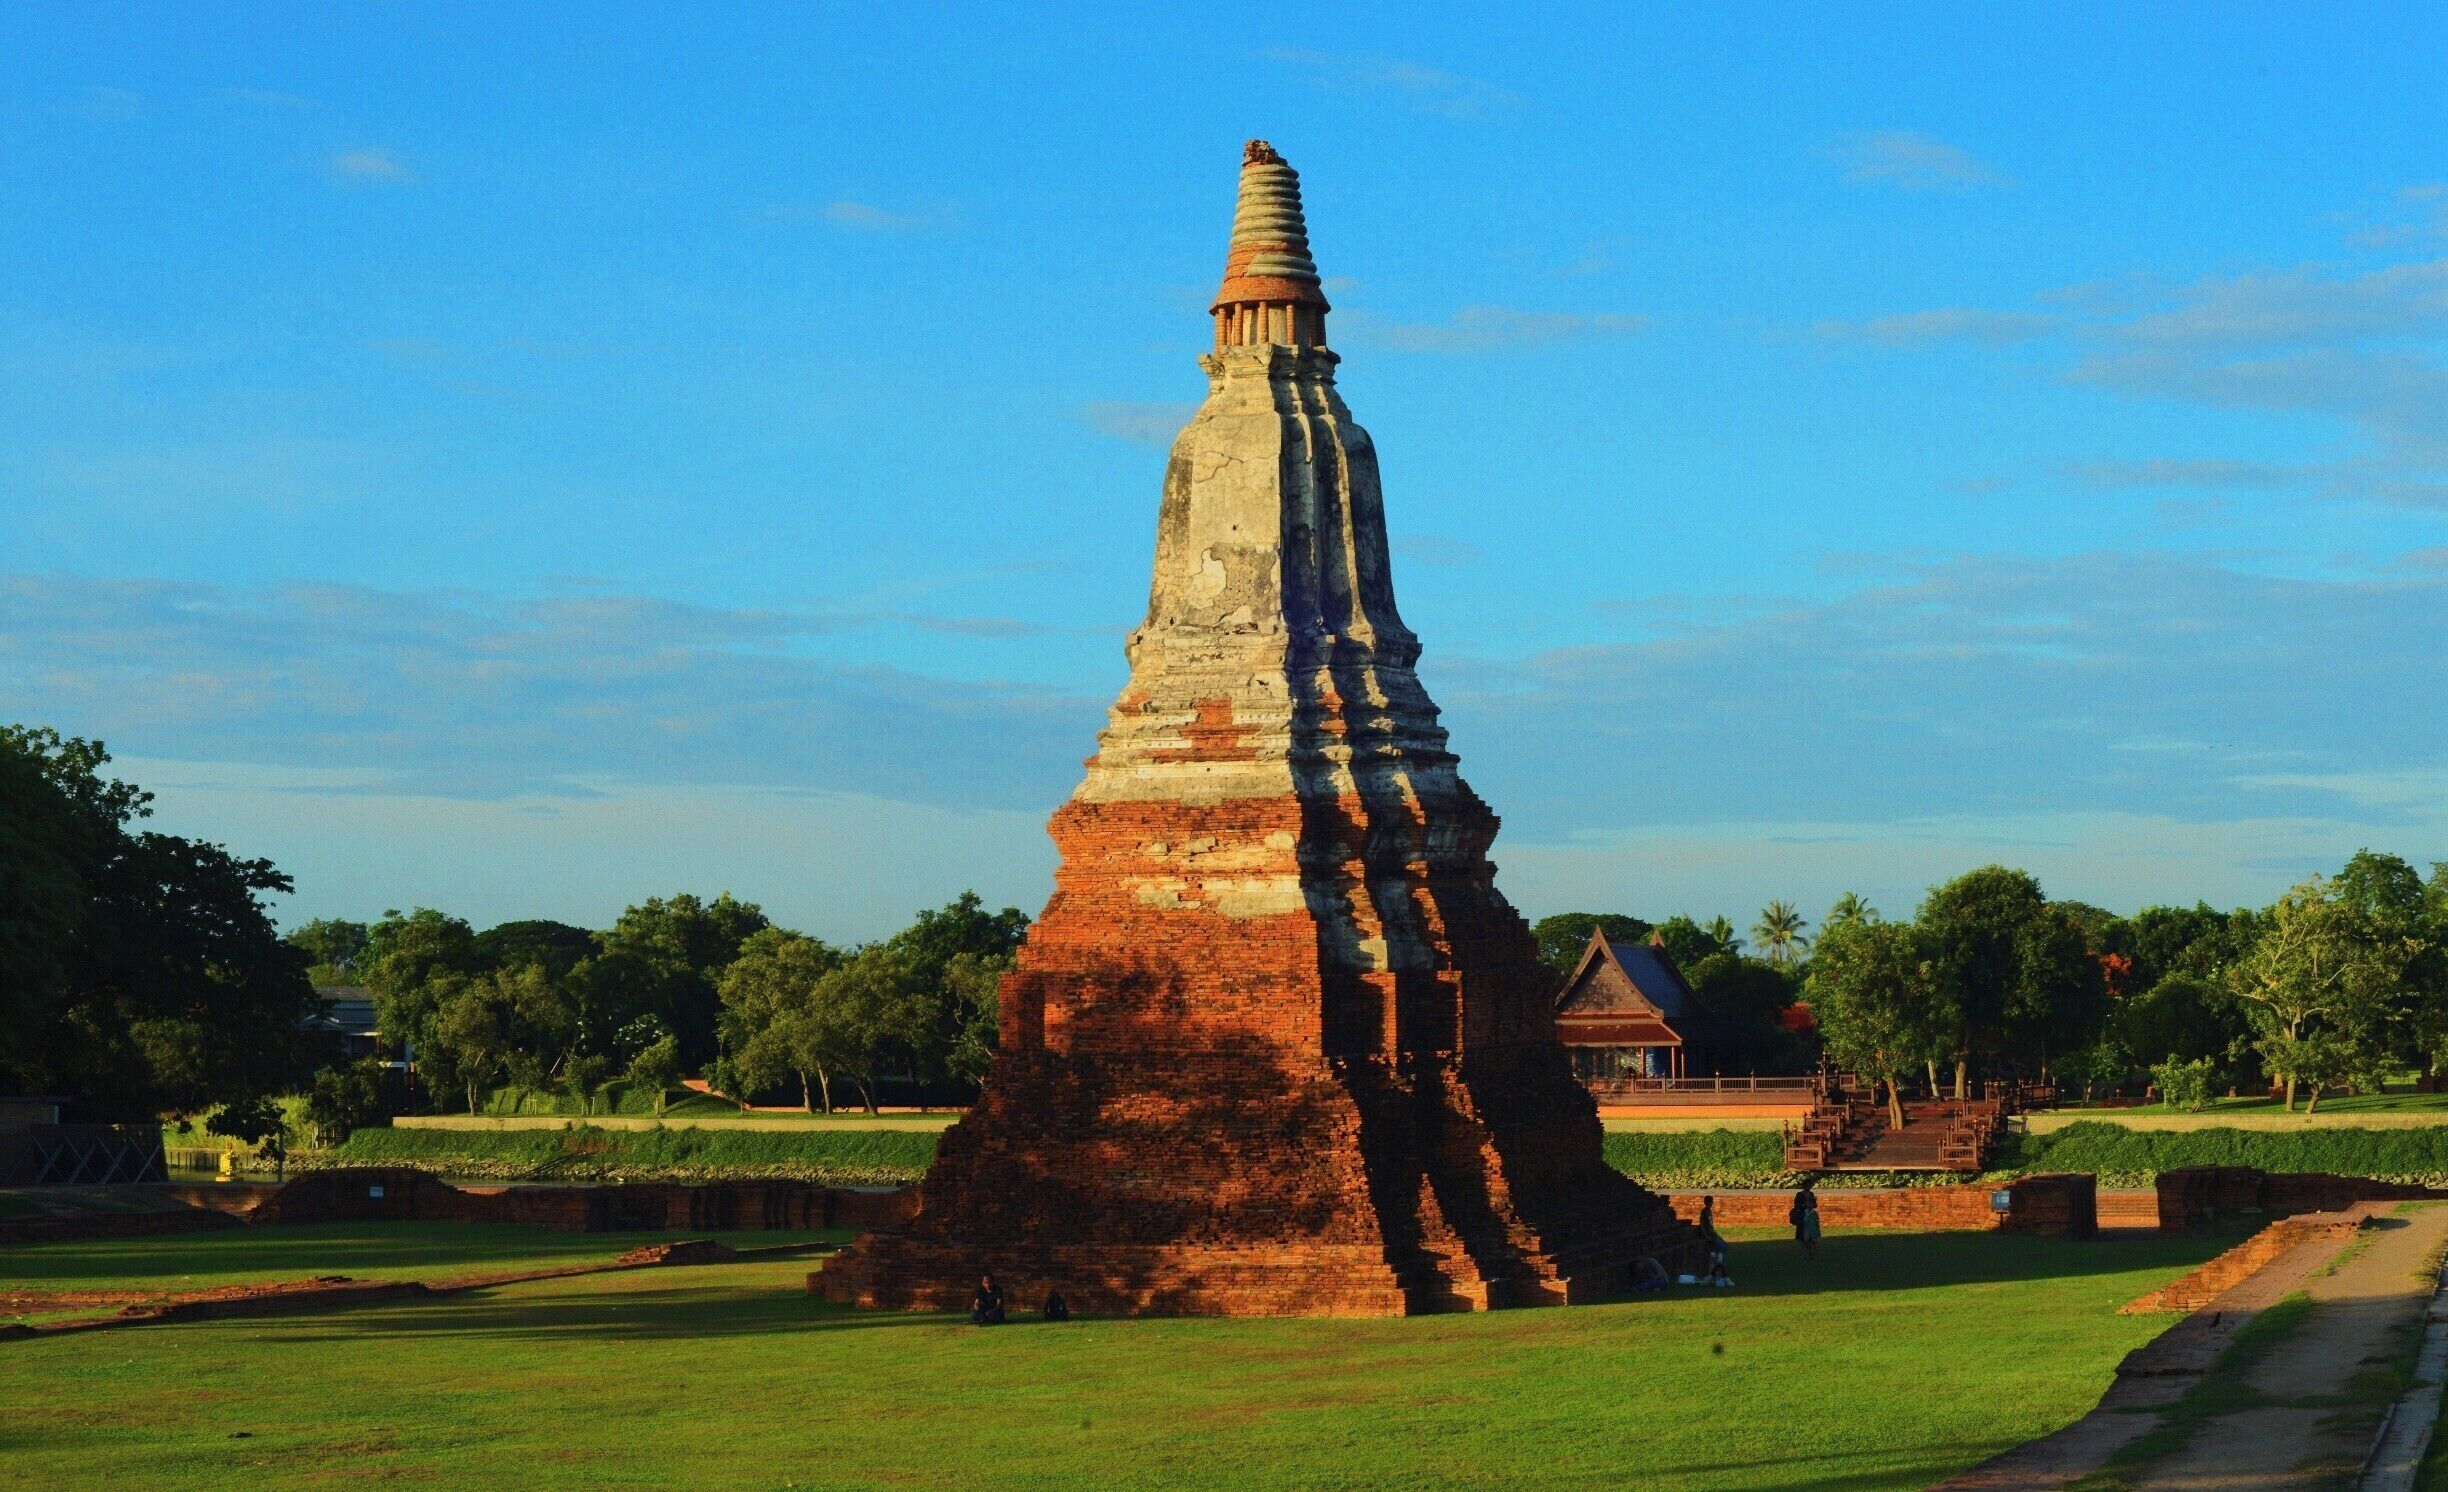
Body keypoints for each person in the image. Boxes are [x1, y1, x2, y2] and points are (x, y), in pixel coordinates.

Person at [1696, 1197, 1733, 1288]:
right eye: (1708, 1202)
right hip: (1709, 1235)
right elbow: (1702, 1225)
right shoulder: (1704, 1212)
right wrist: (1706, 1236)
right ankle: (1720, 1263)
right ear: (1705, 1202)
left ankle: (1719, 1261)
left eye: (1711, 1203)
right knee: (1718, 1252)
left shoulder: (1709, 1211)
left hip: (1713, 1233)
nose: (1710, 1204)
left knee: (1723, 1246)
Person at [1790, 1179, 1822, 1261]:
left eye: (1809, 1186)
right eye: (1807, 1186)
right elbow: (1797, 1205)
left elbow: (1815, 1205)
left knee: (1811, 1237)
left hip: (1810, 1216)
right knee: (1804, 1238)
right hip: (1802, 1216)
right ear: (1803, 1186)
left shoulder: (1811, 1194)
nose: (1808, 1187)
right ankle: (1808, 1253)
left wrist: (1812, 1202)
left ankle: (1811, 1254)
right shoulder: (1799, 1194)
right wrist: (1804, 1204)